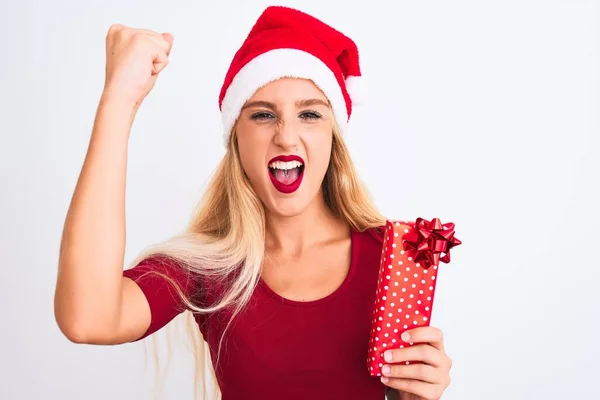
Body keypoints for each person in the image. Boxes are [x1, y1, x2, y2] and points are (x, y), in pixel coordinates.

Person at [54, 5, 452, 400]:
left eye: (310, 114)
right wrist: (119, 100)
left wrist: (417, 396)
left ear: (333, 135)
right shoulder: (208, 270)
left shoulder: (395, 256)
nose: (287, 137)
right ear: (236, 140)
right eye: (263, 115)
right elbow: (88, 318)